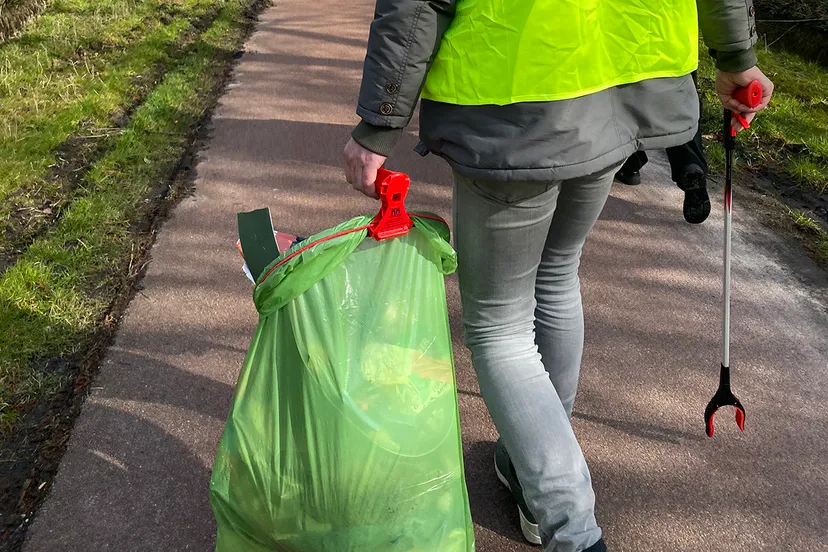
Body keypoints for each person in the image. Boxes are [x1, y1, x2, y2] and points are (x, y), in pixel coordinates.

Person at [343, 0, 773, 550]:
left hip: (510, 106)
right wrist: (737, 56)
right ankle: (533, 469)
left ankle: (573, 529)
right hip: (620, 94)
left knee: (499, 327)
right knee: (555, 273)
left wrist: (378, 123)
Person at [614, 70, 712, 224]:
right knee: (679, 97)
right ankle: (689, 164)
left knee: (626, 88)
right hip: (678, 52)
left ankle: (630, 161)